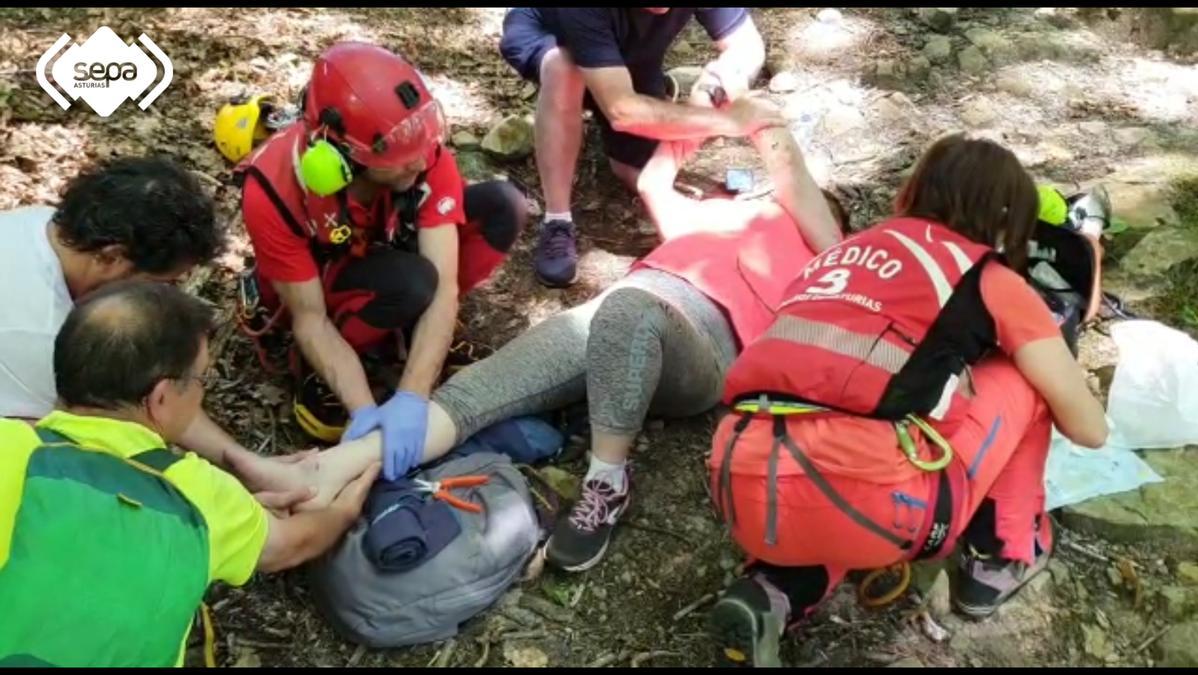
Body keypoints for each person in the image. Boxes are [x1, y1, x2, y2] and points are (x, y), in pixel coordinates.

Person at [231, 95, 846, 576]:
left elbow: (797, 191)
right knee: (473, 389)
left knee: (630, 309)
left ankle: (606, 484)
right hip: (613, 320)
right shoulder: (710, 216)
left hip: (704, 338)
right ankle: (325, 474)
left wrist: (763, 125)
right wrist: (708, 115)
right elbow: (658, 181)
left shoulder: (830, 258)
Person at [703, 134, 1109, 667]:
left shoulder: (838, 257)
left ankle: (774, 589)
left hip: (744, 485)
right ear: (1009, 221)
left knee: (838, 459)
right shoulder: (986, 277)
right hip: (879, 505)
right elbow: (1089, 429)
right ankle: (1001, 555)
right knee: (1027, 377)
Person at [0, 281, 377, 667]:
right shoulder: (193, 495)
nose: (203, 392)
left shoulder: (8, 439)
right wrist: (344, 511)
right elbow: (289, 545)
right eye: (202, 380)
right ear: (161, 399)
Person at [236, 41, 528, 480]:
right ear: (341, 158)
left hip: (382, 252)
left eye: (421, 146)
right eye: (399, 159)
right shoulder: (273, 192)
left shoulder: (420, 152)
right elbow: (310, 318)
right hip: (320, 285)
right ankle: (335, 368)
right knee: (411, 283)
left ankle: (409, 333)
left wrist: (413, 394)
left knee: (501, 209)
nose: (419, 162)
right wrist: (363, 410)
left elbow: (446, 283)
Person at [0, 156, 270, 475]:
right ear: (112, 256)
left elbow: (143, 392)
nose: (160, 298)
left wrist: (242, 461)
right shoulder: (39, 334)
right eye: (161, 284)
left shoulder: (46, 224)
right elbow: (77, 448)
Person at [499, 7, 780, 287]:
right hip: (551, 35)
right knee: (565, 70)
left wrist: (717, 82)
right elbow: (623, 112)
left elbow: (746, 44)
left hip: (627, 55)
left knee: (635, 168)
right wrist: (727, 121)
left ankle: (638, 94)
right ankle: (557, 220)